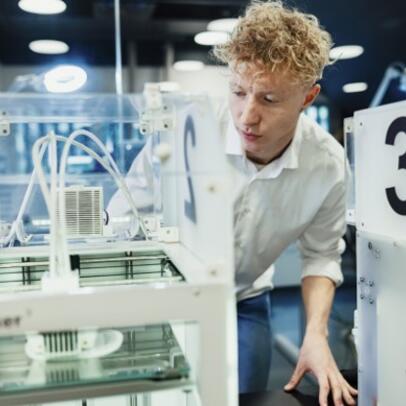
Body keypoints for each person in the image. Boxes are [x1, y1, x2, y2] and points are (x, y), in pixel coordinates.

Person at [109, 1, 358, 405]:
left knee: (244, 398)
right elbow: (120, 217)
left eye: (270, 100)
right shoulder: (185, 131)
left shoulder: (326, 165)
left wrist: (316, 335)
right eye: (239, 92)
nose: (247, 116)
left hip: (246, 301)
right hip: (169, 295)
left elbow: (322, 256)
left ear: (307, 97)